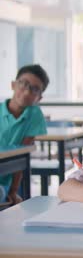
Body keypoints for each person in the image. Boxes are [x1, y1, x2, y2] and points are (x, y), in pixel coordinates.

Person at [0, 64, 49, 205]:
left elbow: (22, 155)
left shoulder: (34, 115)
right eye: (23, 84)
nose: (27, 92)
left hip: (3, 182)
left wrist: (13, 191)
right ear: (13, 84)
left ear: (39, 98)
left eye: (34, 89)